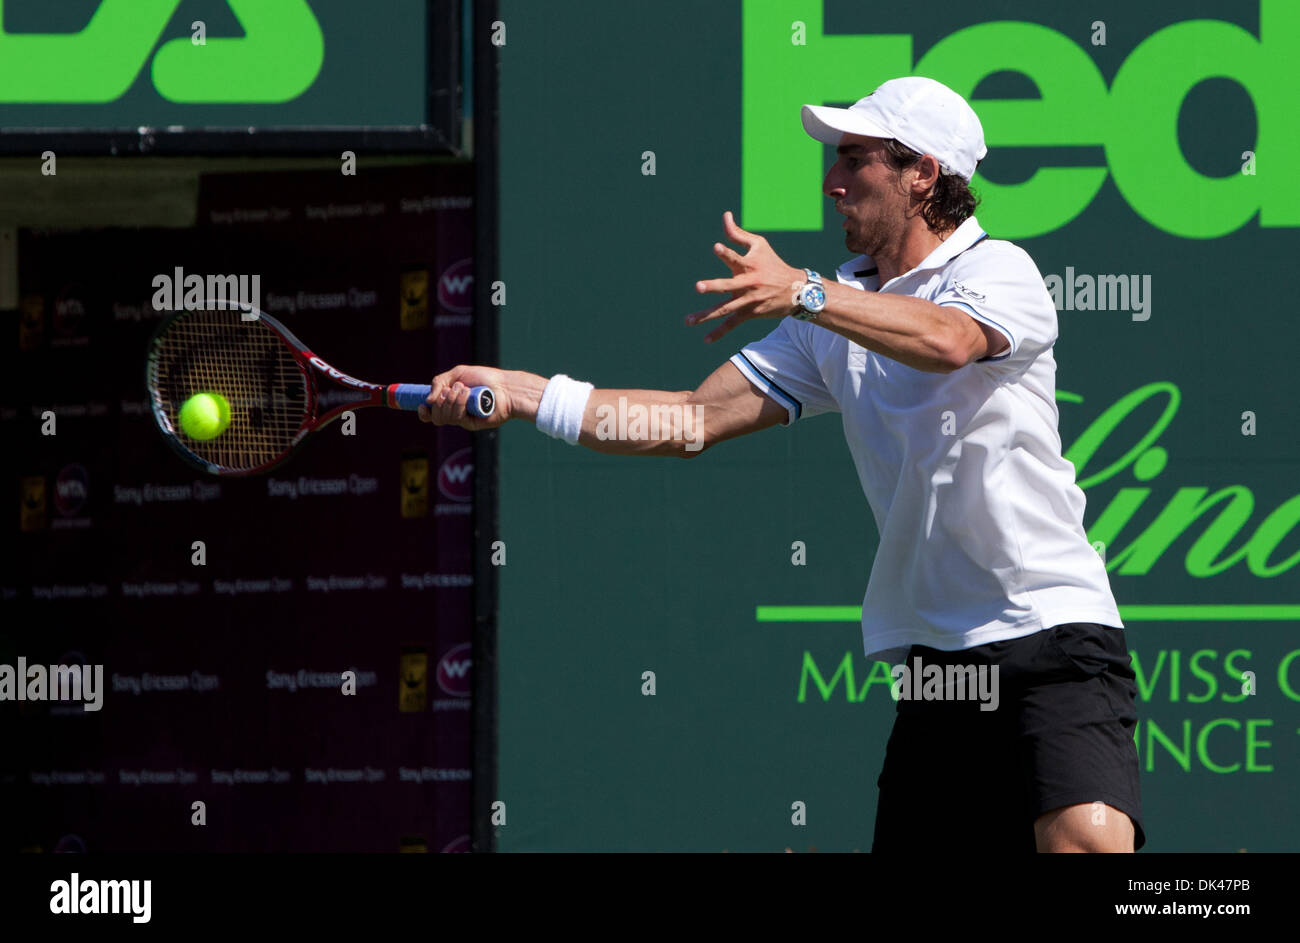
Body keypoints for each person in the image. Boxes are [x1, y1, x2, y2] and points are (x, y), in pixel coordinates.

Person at [420, 76, 1144, 853]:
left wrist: (804, 291)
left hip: (1053, 628)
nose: (832, 182)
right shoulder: (827, 320)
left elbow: (948, 343)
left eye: (854, 160)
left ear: (922, 173)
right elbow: (687, 419)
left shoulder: (1000, 271)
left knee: (1087, 841)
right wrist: (527, 391)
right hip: (938, 665)